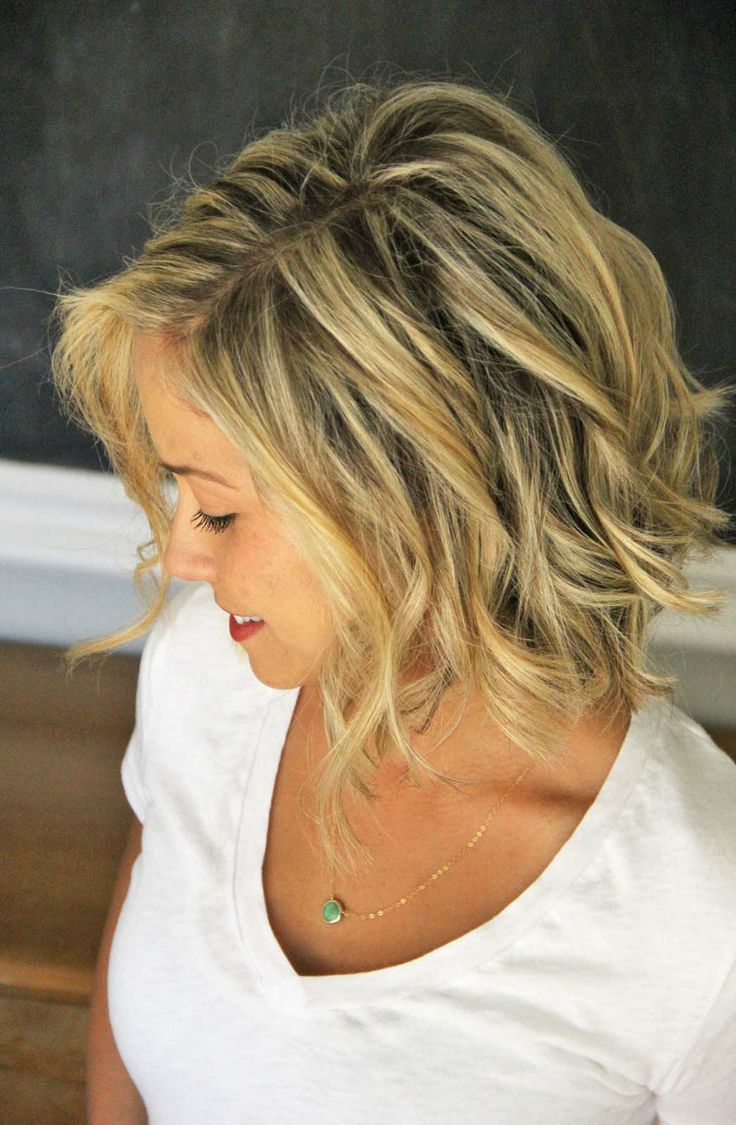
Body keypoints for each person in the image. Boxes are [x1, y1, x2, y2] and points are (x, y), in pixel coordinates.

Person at [50, 74, 736, 1124]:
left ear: (416, 503)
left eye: (220, 510)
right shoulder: (206, 670)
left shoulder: (700, 915)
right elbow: (132, 1037)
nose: (179, 556)